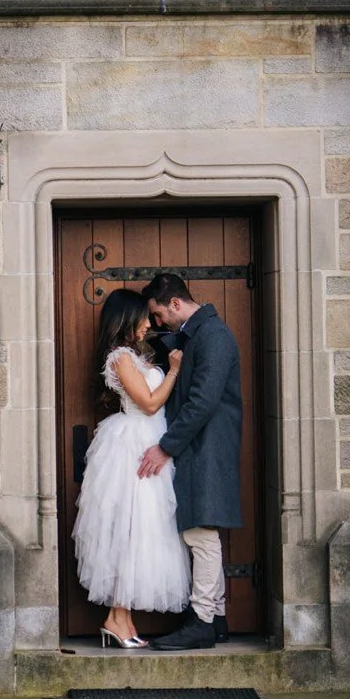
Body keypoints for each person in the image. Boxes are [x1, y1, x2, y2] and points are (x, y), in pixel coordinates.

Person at [72, 288, 191, 647]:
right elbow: (151, 404)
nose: (147, 324)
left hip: (150, 443)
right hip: (133, 448)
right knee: (129, 531)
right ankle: (116, 617)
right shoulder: (121, 357)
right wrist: (173, 372)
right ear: (126, 318)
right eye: (143, 317)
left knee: (143, 532)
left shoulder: (136, 356)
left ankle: (120, 619)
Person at [136, 271, 243, 650]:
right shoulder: (197, 335)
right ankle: (215, 618)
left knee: (201, 531)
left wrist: (166, 447)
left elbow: (203, 401)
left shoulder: (213, 336)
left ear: (176, 304)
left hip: (207, 445)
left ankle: (201, 620)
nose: (157, 323)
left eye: (159, 315)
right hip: (200, 445)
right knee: (200, 529)